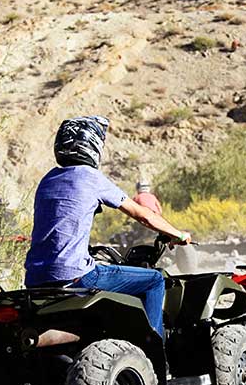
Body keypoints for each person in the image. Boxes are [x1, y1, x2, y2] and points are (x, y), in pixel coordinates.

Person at [24, 116, 191, 337]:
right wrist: (178, 234)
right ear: (91, 145)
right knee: (154, 280)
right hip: (75, 275)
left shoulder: (48, 179)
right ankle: (154, 346)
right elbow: (144, 216)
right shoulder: (90, 177)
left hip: (35, 279)